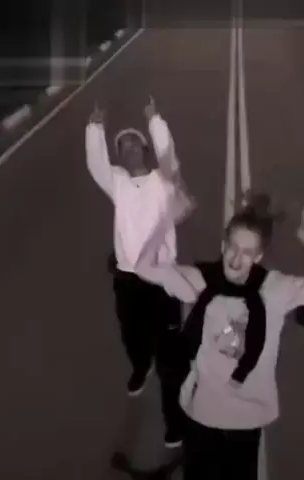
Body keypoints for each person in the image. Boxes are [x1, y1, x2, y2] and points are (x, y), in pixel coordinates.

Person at [135, 193, 304, 480]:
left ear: (258, 257)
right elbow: (143, 267)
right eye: (232, 247)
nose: (236, 258)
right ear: (223, 246)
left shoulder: (275, 288)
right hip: (203, 413)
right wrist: (163, 220)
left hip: (248, 416)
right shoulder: (202, 281)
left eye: (247, 252)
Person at [85, 97, 194, 448]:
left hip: (162, 279)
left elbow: (169, 153)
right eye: (123, 145)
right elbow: (96, 162)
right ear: (119, 156)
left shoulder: (164, 180)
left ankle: (175, 423)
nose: (129, 147)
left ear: (146, 150)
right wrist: (95, 127)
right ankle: (139, 364)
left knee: (170, 358)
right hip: (128, 280)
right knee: (131, 337)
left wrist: (154, 119)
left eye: (135, 142)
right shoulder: (116, 182)